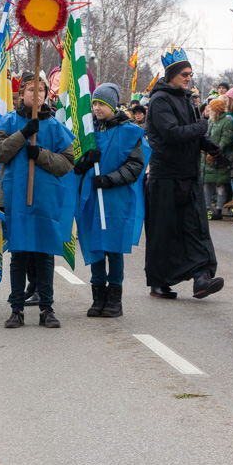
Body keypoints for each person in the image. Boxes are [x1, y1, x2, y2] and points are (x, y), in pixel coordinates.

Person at [0, 71, 76, 329]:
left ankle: (46, 308)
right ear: (21, 94)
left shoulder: (55, 127)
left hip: (45, 199)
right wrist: (24, 133)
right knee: (19, 254)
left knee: (44, 255)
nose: (36, 95)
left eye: (40, 91)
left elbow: (66, 162)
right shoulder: (8, 122)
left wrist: (40, 154)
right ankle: (16, 309)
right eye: (31, 90)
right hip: (17, 199)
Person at [143, 47, 224, 300]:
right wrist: (202, 126)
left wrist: (213, 148)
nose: (189, 77)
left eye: (190, 73)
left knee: (195, 227)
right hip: (165, 176)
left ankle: (202, 277)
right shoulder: (159, 100)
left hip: (189, 176)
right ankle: (159, 282)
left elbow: (194, 134)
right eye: (184, 74)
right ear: (171, 75)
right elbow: (173, 133)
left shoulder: (187, 99)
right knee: (163, 232)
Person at [73, 83, 145, 318]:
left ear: (112, 105)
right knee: (95, 246)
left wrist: (109, 180)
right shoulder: (86, 133)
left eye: (101, 104)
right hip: (92, 198)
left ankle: (115, 299)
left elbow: (135, 166)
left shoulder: (130, 132)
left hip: (116, 198)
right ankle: (98, 297)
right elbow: (73, 165)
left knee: (113, 248)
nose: (96, 108)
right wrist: (84, 162)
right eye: (94, 104)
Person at [202, 99, 233, 219]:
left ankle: (219, 209)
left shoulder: (226, 122)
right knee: (206, 184)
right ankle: (207, 207)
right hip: (207, 158)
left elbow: (225, 140)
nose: (209, 109)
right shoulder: (210, 121)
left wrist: (214, 152)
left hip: (219, 158)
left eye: (211, 107)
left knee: (219, 184)